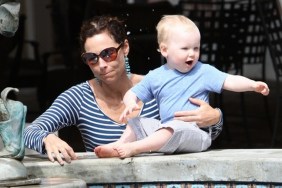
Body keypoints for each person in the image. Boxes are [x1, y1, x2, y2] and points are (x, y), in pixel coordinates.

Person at [24, 15, 224, 165]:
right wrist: (46, 138)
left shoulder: (160, 84)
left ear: (125, 48)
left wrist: (215, 117)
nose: (101, 64)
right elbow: (26, 131)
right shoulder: (79, 97)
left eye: (108, 53)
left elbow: (199, 134)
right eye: (92, 58)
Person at [94, 15, 269, 158]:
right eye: (185, 48)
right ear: (164, 50)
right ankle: (120, 144)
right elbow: (132, 93)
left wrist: (252, 85)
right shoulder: (156, 76)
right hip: (166, 129)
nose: (192, 53)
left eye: (196, 48)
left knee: (175, 127)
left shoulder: (203, 71)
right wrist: (131, 103)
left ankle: (135, 148)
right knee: (137, 122)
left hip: (195, 133)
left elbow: (230, 80)